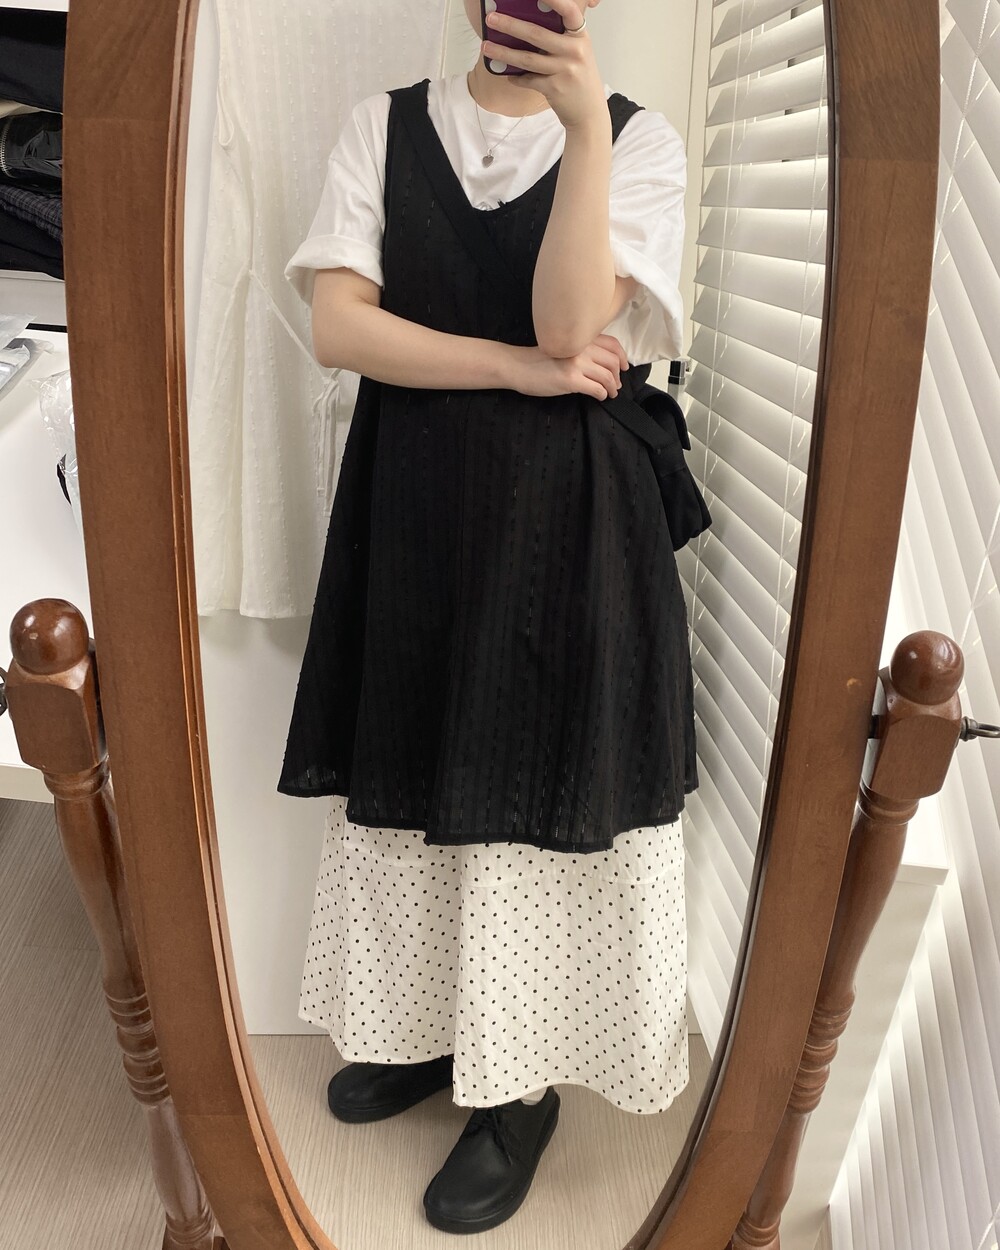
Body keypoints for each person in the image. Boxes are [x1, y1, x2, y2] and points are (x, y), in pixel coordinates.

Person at [278, 0, 701, 1233]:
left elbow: (573, 324)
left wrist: (584, 132)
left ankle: (516, 1086)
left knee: (531, 790)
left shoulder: (639, 142)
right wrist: (516, 368)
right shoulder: (383, 125)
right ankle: (427, 1028)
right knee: (415, 768)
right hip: (416, 506)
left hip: (569, 524)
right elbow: (338, 328)